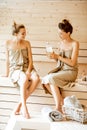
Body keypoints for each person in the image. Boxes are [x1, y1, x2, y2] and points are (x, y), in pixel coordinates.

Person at [42, 19, 79, 113]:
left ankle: (58, 106)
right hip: (61, 70)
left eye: (61, 33)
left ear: (68, 33)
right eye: (59, 33)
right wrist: (53, 57)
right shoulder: (61, 43)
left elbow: (72, 63)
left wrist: (58, 56)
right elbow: (59, 61)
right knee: (45, 81)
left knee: (51, 78)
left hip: (71, 71)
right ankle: (62, 102)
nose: (59, 35)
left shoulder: (75, 44)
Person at [5, 22, 40, 118]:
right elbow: (7, 60)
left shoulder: (27, 43)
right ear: (16, 34)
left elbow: (31, 60)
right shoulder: (8, 43)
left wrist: (29, 71)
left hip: (27, 67)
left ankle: (19, 105)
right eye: (23, 33)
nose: (25, 35)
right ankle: (24, 108)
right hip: (15, 69)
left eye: (25, 32)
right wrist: (7, 74)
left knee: (36, 78)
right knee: (24, 78)